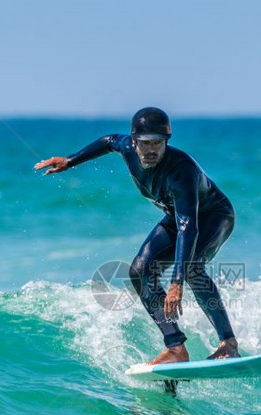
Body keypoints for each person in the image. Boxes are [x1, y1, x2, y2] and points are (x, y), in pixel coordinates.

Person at [34, 107, 240, 365]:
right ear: (134, 141)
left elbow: (190, 227)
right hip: (177, 215)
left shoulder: (182, 172)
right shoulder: (127, 147)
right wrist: (70, 160)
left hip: (214, 216)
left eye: (158, 143)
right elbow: (109, 140)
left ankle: (228, 343)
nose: (151, 150)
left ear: (166, 141)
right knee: (139, 271)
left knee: (192, 268)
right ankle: (175, 348)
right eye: (145, 143)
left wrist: (176, 283)